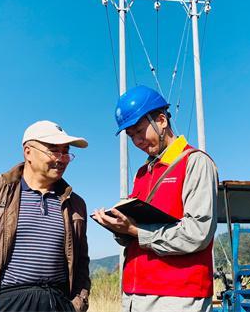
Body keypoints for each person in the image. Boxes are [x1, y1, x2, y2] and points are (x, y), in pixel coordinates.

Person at [0, 120, 91, 312]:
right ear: (28, 151)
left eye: (66, 151)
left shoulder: (75, 204)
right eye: (54, 150)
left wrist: (77, 304)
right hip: (7, 303)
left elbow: (81, 263)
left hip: (59, 303)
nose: (61, 159)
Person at [92, 85, 218, 312]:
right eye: (131, 137)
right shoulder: (142, 173)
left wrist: (136, 232)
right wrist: (119, 228)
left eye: (140, 132)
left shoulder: (196, 162)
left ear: (161, 120)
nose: (137, 142)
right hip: (134, 294)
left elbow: (198, 232)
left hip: (177, 296)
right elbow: (135, 232)